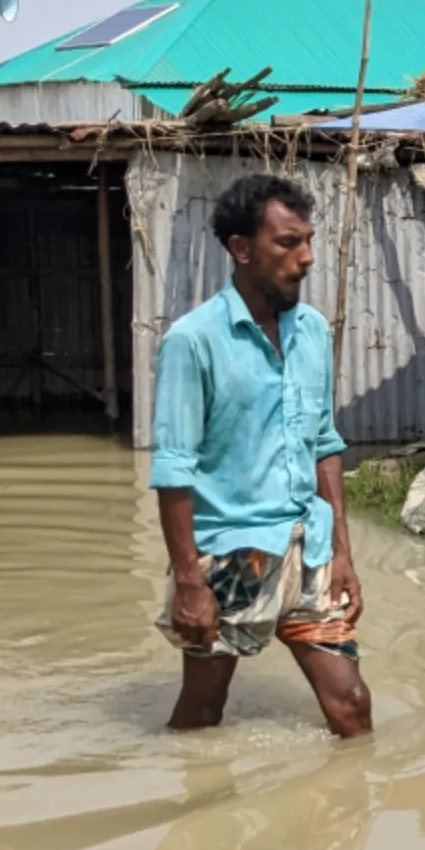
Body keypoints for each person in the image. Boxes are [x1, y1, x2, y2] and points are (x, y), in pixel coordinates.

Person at [149, 174, 372, 738]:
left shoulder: (314, 331)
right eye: (287, 243)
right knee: (203, 712)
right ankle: (190, 815)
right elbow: (174, 468)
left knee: (351, 704)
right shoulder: (193, 340)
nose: (307, 258)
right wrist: (189, 584)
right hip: (231, 556)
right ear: (241, 249)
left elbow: (323, 443)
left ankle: (347, 819)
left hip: (310, 545)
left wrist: (343, 552)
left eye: (309, 241)